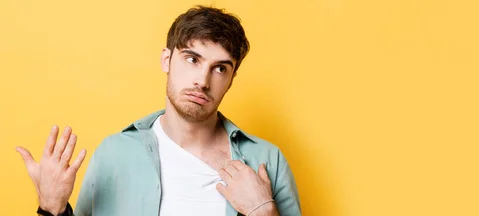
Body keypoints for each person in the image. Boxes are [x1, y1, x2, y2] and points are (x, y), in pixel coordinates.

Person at [15, 5, 301, 216]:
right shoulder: (115, 153)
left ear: (231, 78)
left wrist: (263, 212)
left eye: (220, 68)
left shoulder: (266, 160)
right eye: (192, 59)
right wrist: (51, 209)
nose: (202, 81)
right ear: (167, 59)